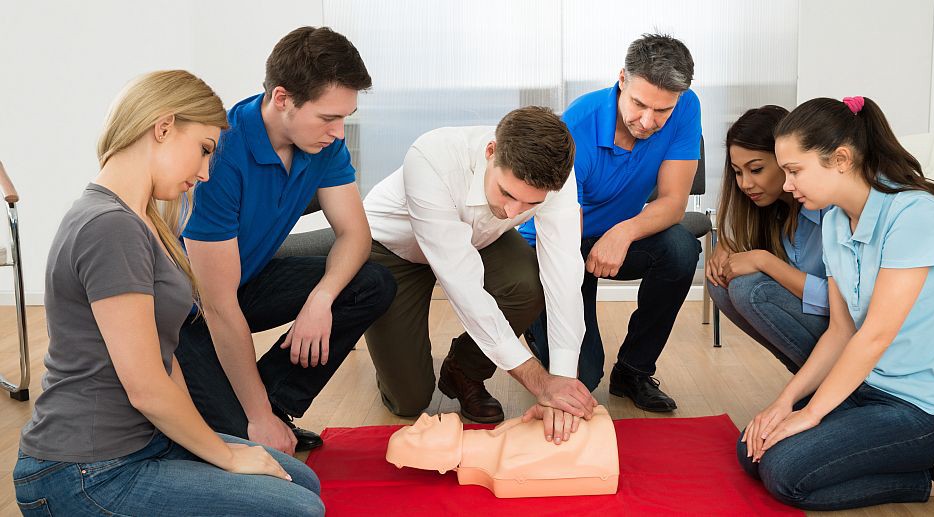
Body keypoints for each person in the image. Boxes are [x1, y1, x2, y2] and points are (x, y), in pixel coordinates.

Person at [12, 71, 324, 516]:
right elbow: (145, 386)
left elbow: (165, 356)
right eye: (203, 150)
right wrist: (227, 455)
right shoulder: (109, 226)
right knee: (298, 508)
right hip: (84, 472)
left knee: (301, 480)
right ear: (163, 127)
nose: (203, 172)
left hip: (143, 443)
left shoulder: (144, 221)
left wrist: (210, 442)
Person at [738, 96, 934, 510]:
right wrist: (784, 402)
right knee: (752, 450)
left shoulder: (915, 216)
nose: (785, 185)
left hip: (929, 412)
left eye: (795, 171)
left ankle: (931, 480)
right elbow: (842, 330)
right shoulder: (836, 220)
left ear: (840, 159)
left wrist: (811, 413)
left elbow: (874, 335)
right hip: (870, 388)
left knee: (785, 475)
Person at [176, 26, 397, 455]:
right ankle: (258, 416)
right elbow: (218, 307)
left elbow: (355, 235)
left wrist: (320, 300)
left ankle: (276, 404)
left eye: (344, 117)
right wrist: (253, 418)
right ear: (282, 99)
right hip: (187, 315)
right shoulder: (220, 153)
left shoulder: (324, 145)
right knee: (241, 441)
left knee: (371, 283)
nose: (338, 131)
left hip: (244, 284)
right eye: (328, 117)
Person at [362, 107, 597, 439]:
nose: (514, 212)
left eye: (531, 205)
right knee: (410, 400)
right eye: (508, 193)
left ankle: (463, 369)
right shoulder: (431, 157)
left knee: (528, 286)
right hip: (394, 248)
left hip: (479, 239)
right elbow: (464, 289)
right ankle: (391, 356)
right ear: (491, 152)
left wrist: (560, 384)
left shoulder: (558, 174)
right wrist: (538, 381)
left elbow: (564, 274)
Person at [520, 33, 702, 412]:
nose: (648, 121)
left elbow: (672, 203)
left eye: (662, 111)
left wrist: (624, 231)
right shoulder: (577, 127)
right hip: (556, 243)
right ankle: (540, 336)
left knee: (681, 249)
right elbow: (564, 229)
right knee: (581, 379)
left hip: (614, 236)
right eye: (638, 104)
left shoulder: (685, 107)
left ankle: (633, 371)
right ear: (622, 79)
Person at [706, 105, 830, 373]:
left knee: (750, 290)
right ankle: (808, 384)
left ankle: (825, 390)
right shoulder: (775, 211)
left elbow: (843, 304)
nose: (745, 184)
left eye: (756, 169)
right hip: (821, 327)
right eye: (738, 172)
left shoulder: (832, 210)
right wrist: (731, 246)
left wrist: (764, 261)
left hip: (848, 332)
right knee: (722, 282)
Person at [385, 406, 619, 498]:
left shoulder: (502, 433)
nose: (424, 418)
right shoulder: (506, 466)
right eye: (418, 432)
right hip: (598, 442)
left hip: (594, 423)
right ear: (440, 461)